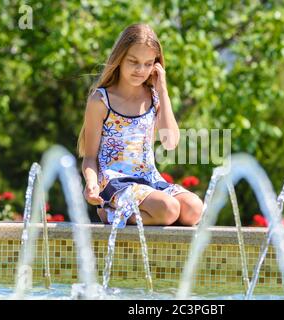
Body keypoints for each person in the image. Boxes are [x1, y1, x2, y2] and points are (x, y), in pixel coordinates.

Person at [77, 23, 203, 228]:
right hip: (115, 182)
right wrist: (91, 184)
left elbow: (170, 143)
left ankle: (131, 214)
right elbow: (90, 157)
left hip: (149, 179)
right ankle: (109, 212)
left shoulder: (154, 98)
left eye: (147, 64)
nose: (140, 70)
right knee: (169, 209)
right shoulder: (100, 101)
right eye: (133, 61)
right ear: (119, 59)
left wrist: (163, 90)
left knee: (193, 209)